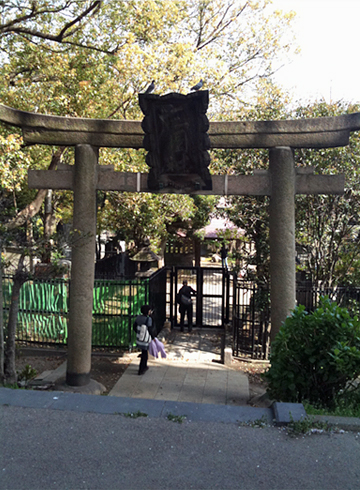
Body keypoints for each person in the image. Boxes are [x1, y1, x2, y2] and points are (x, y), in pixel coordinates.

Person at [133, 305, 156, 375]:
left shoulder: (138, 317)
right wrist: (153, 337)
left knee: (144, 352)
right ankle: (141, 369)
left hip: (139, 338)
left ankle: (144, 366)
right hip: (145, 339)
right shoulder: (148, 319)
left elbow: (134, 326)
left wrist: (138, 332)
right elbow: (150, 329)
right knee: (145, 354)